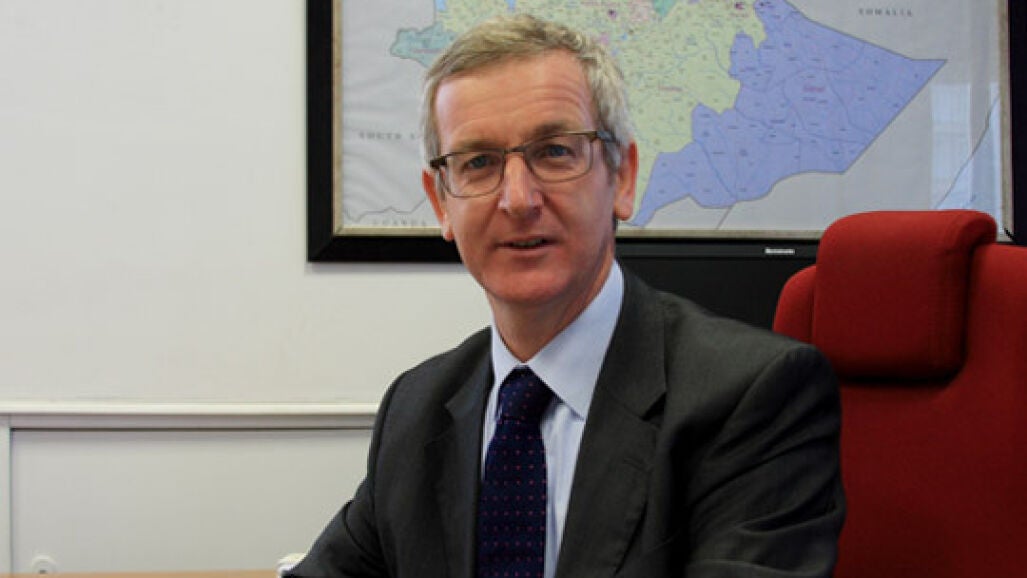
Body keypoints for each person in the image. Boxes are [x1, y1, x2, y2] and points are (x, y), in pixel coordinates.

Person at [288, 13, 844, 578]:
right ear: (441, 203)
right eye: (478, 162)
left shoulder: (754, 396)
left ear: (622, 178)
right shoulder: (417, 408)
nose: (518, 199)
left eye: (554, 151)